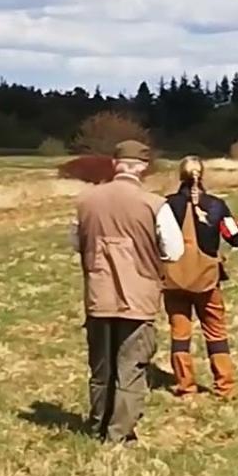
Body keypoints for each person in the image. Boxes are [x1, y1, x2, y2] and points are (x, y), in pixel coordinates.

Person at [70, 140, 184, 444]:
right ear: (143, 166)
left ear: (114, 163)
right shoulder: (155, 204)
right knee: (131, 368)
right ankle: (119, 436)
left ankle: (97, 426)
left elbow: (76, 243)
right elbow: (174, 250)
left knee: (101, 368)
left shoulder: (85, 201)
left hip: (98, 297)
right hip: (139, 298)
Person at [162, 156, 238, 399]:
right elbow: (237, 238)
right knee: (216, 333)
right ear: (203, 175)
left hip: (174, 280)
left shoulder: (165, 206)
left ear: (180, 176)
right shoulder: (216, 206)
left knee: (180, 334)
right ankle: (225, 387)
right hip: (207, 280)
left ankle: (185, 386)